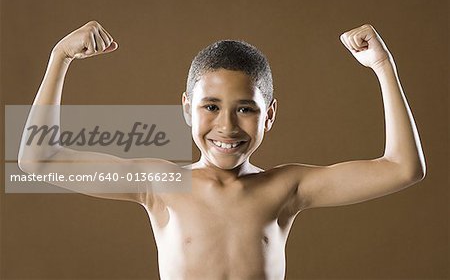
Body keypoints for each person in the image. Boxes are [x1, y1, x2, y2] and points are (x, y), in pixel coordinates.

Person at [18, 20, 426, 279]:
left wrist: (382, 66)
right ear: (186, 109)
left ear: (269, 115)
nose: (227, 126)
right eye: (210, 107)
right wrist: (60, 58)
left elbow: (403, 167)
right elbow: (40, 160)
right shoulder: (160, 184)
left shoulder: (287, 187)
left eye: (246, 109)